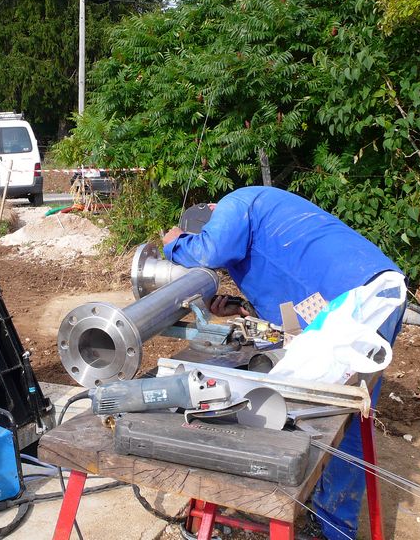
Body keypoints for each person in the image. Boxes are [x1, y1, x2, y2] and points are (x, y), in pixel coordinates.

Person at [162, 186, 406, 540]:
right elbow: (296, 315)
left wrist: (174, 244)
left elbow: (208, 250)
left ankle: (321, 523)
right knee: (343, 414)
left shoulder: (235, 203)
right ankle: (331, 523)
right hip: (365, 296)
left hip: (356, 303)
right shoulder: (266, 231)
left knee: (304, 408)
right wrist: (241, 307)